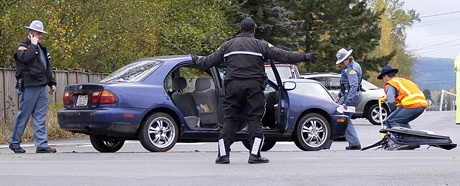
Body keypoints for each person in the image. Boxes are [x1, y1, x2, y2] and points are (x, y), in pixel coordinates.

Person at [192, 17, 316, 164]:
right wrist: (304, 56)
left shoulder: (227, 45)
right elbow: (282, 54)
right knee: (254, 119)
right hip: (253, 87)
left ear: (240, 29)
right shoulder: (260, 45)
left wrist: (195, 59)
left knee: (230, 120)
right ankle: (255, 154)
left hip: (232, 87)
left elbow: (208, 61)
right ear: (254, 30)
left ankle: (223, 155)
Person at [9, 20, 57, 153]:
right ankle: (14, 142)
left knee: (40, 116)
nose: (40, 35)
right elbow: (25, 58)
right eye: (37, 33)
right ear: (30, 33)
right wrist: (33, 45)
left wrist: (52, 83)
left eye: (41, 33)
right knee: (24, 115)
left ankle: (42, 144)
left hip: (41, 86)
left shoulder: (41, 49)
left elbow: (46, 67)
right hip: (29, 86)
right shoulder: (22, 47)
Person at [335, 48, 362, 150]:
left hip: (351, 97)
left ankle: (354, 143)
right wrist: (339, 94)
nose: (342, 64)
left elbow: (353, 86)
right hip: (347, 95)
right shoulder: (350, 67)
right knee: (342, 117)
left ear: (347, 59)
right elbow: (344, 85)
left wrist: (347, 101)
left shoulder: (352, 70)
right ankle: (354, 142)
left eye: (342, 62)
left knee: (341, 117)